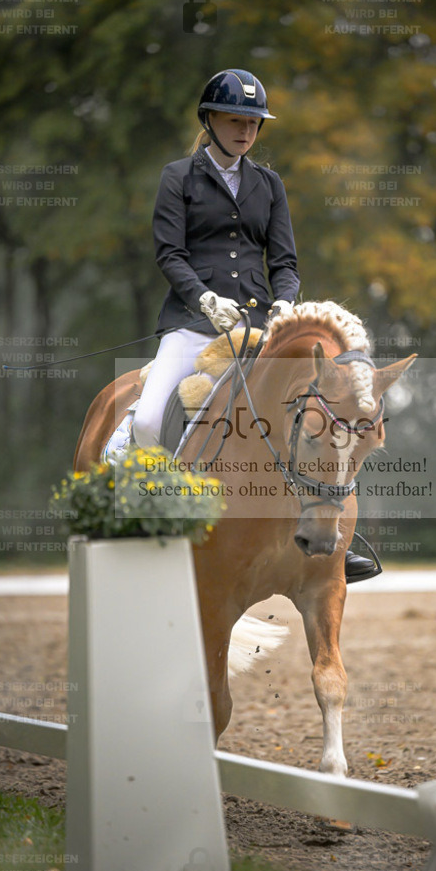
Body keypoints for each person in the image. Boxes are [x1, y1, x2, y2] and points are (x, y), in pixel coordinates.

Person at [131, 67, 377, 582]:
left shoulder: (269, 184)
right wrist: (204, 299)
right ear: (210, 120)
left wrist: (285, 305)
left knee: (319, 416)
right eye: (234, 119)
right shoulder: (178, 178)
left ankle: (339, 535)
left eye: (253, 122)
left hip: (260, 332)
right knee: (151, 420)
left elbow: (284, 263)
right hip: (193, 327)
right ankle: (154, 525)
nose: (246, 130)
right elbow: (169, 253)